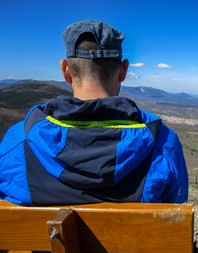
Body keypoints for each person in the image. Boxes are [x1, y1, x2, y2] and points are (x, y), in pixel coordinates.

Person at [0, 20, 188, 206]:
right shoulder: (163, 143)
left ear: (65, 70)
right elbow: (174, 206)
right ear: (123, 71)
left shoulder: (17, 142)